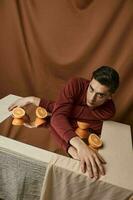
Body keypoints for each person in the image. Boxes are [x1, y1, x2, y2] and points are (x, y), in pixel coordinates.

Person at [8, 66, 119, 179]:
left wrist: (33, 100)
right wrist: (78, 148)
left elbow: (58, 116)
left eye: (100, 95)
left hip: (87, 140)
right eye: (91, 89)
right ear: (90, 81)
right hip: (74, 141)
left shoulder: (108, 111)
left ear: (109, 96)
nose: (91, 98)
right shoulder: (76, 84)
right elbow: (58, 116)